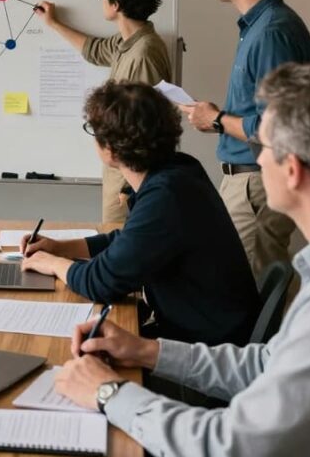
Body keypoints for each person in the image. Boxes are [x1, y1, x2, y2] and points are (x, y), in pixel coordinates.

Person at [55, 63, 310, 457]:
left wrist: (107, 391)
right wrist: (147, 352)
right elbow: (271, 365)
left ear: (292, 169)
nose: (256, 157)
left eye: (263, 146)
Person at [20, 82, 258, 346]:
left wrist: (52, 264)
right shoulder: (178, 170)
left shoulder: (166, 194)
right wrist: (59, 248)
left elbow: (101, 282)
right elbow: (129, 242)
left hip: (206, 347)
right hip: (208, 328)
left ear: (110, 148)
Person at [182, 0, 310, 275]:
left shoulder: (272, 32)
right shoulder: (260, 26)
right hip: (249, 180)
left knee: (250, 291)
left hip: (256, 183)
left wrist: (216, 119)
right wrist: (216, 117)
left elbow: (277, 126)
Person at [37, 0, 171, 223]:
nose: (102, 0)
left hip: (130, 179)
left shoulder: (144, 53)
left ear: (116, 5)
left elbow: (142, 129)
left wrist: (127, 189)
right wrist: (53, 23)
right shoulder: (127, 43)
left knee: (118, 245)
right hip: (121, 173)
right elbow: (95, 50)